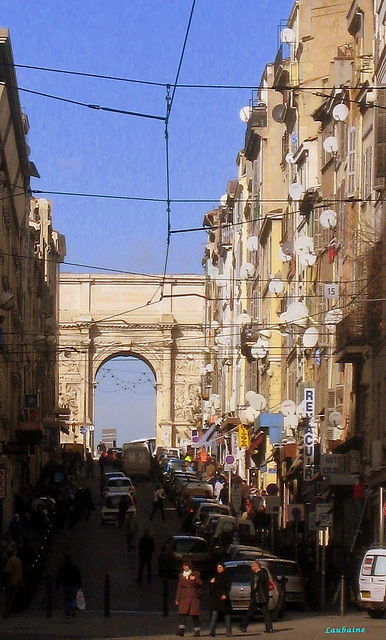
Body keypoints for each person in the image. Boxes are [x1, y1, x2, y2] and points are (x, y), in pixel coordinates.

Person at [238, 560, 273, 634]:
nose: (251, 568)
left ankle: (243, 626)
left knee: (250, 612)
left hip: (257, 598)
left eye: (252, 566)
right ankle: (269, 628)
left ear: (256, 567)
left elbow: (255, 586)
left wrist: (252, 593)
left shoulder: (256, 575)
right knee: (266, 614)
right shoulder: (265, 574)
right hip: (264, 597)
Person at [175, 558, 202, 637]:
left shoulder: (195, 574)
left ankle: (197, 631)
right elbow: (179, 588)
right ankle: (181, 630)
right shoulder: (181, 576)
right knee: (182, 614)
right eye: (184, 566)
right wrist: (177, 599)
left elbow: (200, 583)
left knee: (195, 615)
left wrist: (195, 579)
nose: (185, 567)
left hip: (193, 597)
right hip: (184, 597)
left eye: (186, 566)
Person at [209, 562, 232, 637]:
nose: (219, 569)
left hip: (224, 599)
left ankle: (229, 632)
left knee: (227, 616)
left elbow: (228, 587)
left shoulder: (227, 576)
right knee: (214, 615)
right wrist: (211, 583)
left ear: (223, 568)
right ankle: (211, 631)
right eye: (218, 568)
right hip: (216, 599)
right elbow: (211, 590)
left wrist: (225, 594)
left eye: (220, 567)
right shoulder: (215, 576)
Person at [3, 549, 23, 616]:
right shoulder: (18, 560)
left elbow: (7, 570)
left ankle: (11, 608)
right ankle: (18, 608)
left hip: (13, 579)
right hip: (19, 578)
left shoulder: (10, 560)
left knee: (12, 595)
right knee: (18, 596)